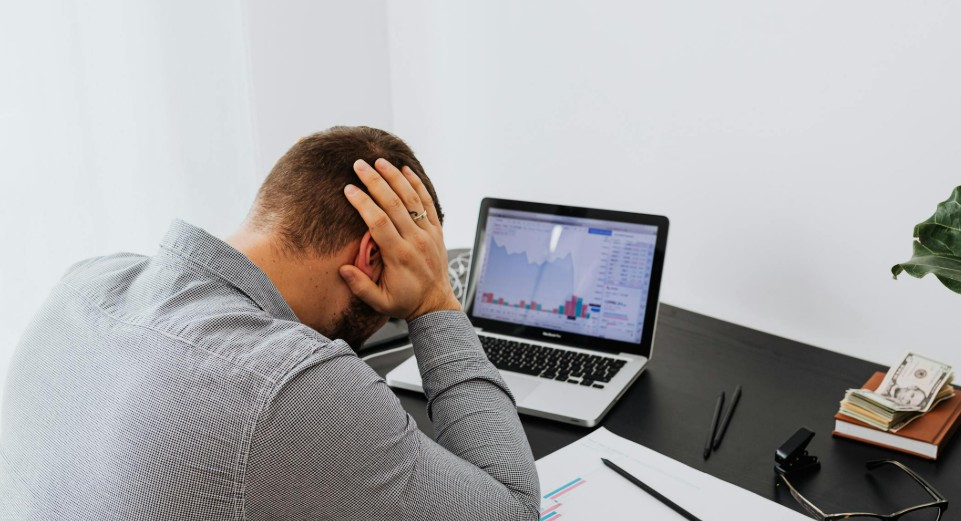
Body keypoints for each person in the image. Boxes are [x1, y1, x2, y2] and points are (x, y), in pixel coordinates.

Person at [0, 126, 539, 520]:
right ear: (372, 255)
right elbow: (512, 509)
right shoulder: (294, 383)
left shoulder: (83, 284)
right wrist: (434, 300)